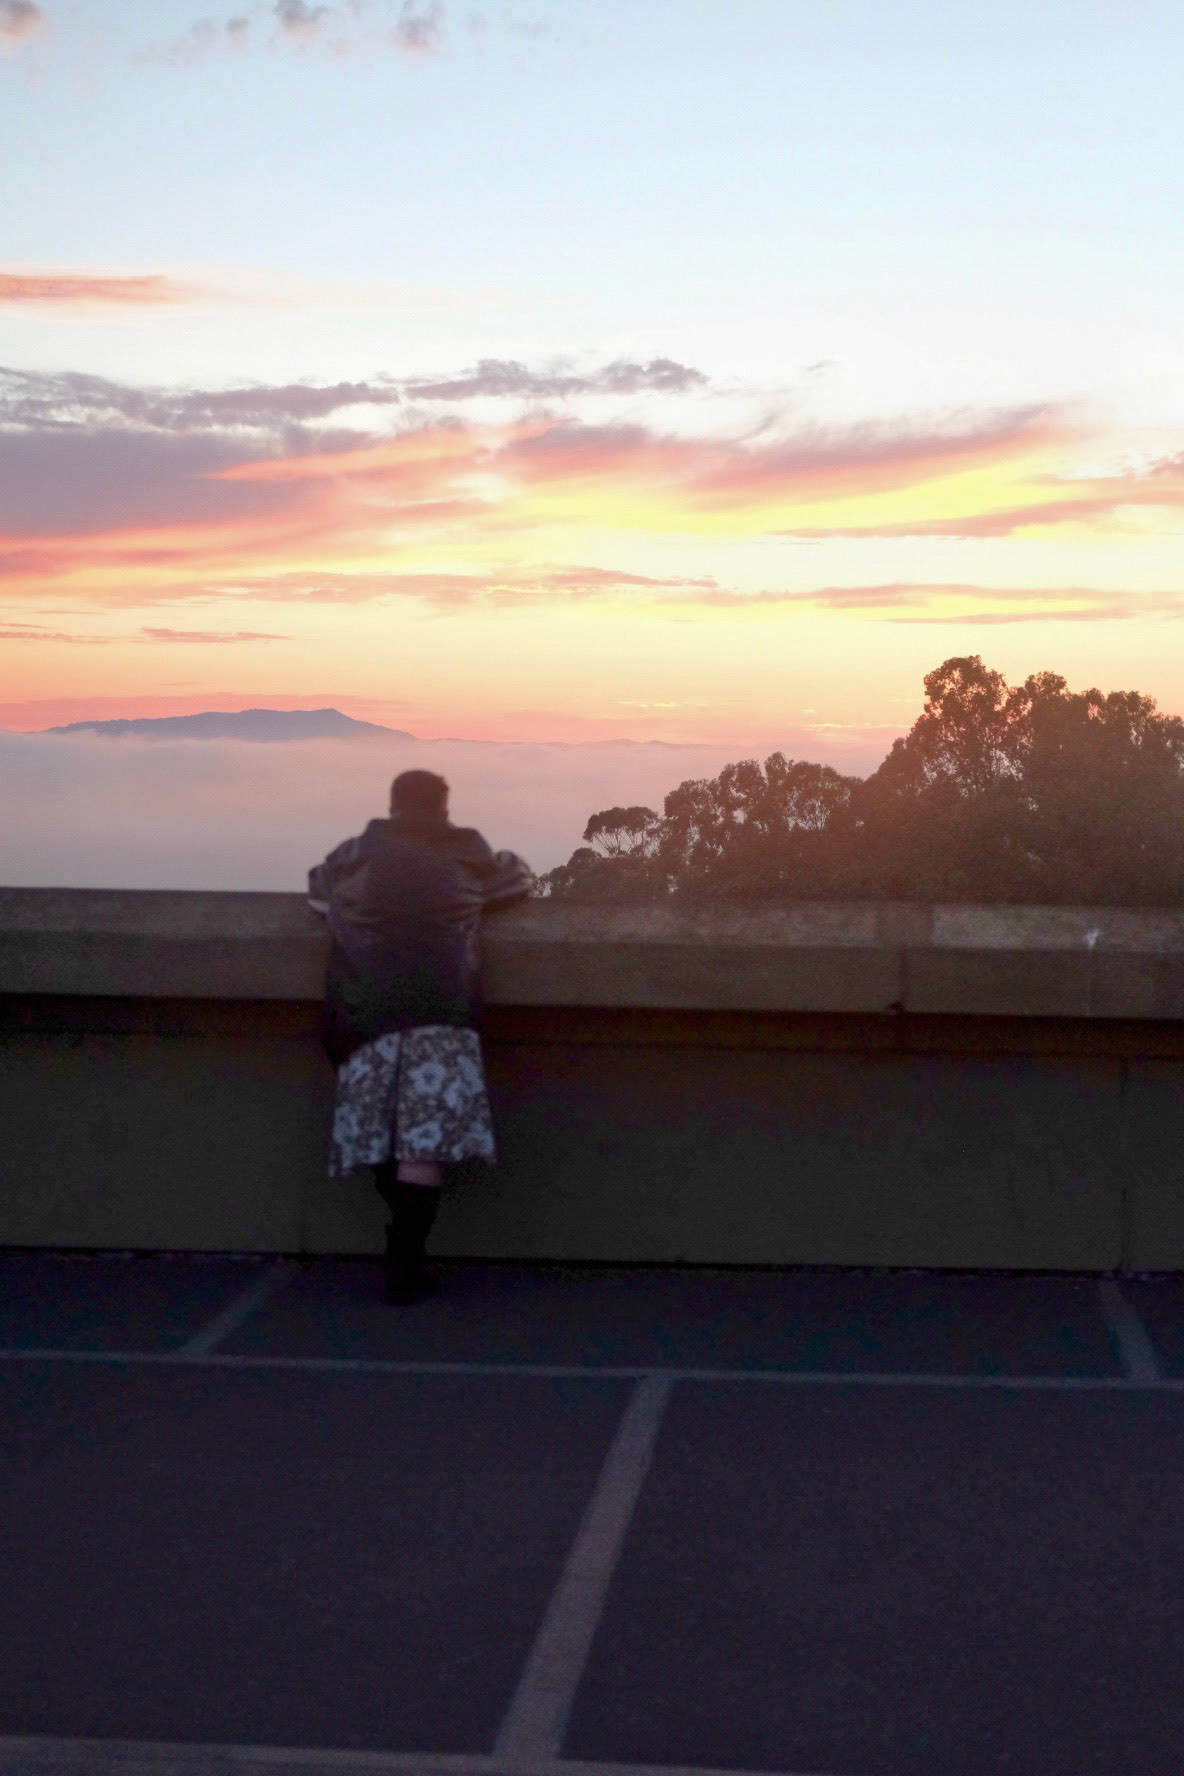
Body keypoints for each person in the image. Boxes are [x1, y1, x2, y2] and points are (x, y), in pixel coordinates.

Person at [308, 770, 532, 1303]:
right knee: (422, 1145)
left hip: (362, 1013)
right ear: (444, 808)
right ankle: (406, 1261)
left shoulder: (352, 855)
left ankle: (398, 1242)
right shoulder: (468, 852)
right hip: (441, 1014)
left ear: (393, 806)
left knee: (380, 1132)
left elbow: (317, 891)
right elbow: (515, 881)